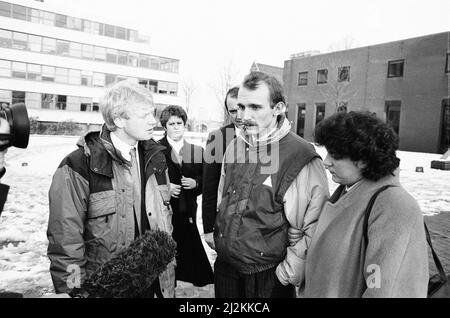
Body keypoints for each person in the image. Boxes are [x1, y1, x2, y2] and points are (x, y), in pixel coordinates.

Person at [47, 81, 175, 297]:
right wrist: (73, 290)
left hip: (156, 285)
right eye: (144, 115)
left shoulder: (157, 158)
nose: (153, 121)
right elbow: (65, 240)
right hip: (106, 289)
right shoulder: (78, 166)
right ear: (118, 120)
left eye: (153, 113)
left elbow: (166, 224)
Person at [213, 71, 329, 298]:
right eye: (241, 107)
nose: (244, 115)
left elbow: (314, 225)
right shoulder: (235, 145)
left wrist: (286, 273)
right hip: (226, 268)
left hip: (268, 275)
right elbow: (222, 198)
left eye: (255, 107)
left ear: (278, 109)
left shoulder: (301, 155)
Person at [304, 111, 429, 297]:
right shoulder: (348, 191)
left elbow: (382, 286)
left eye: (335, 155)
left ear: (363, 159)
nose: (326, 162)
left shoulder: (393, 205)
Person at [158, 105, 214, 288]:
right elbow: (147, 179)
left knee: (190, 254)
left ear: (184, 124)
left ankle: (185, 281)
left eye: (179, 123)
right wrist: (166, 187)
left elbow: (207, 180)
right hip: (164, 212)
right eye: (171, 123)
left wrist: (196, 183)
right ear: (164, 126)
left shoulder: (197, 151)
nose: (176, 127)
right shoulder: (155, 149)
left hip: (188, 210)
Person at [202, 86, 242, 249]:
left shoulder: (265, 136)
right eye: (233, 111)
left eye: (241, 108)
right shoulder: (217, 138)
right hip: (225, 220)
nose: (238, 116)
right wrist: (208, 229)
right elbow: (209, 185)